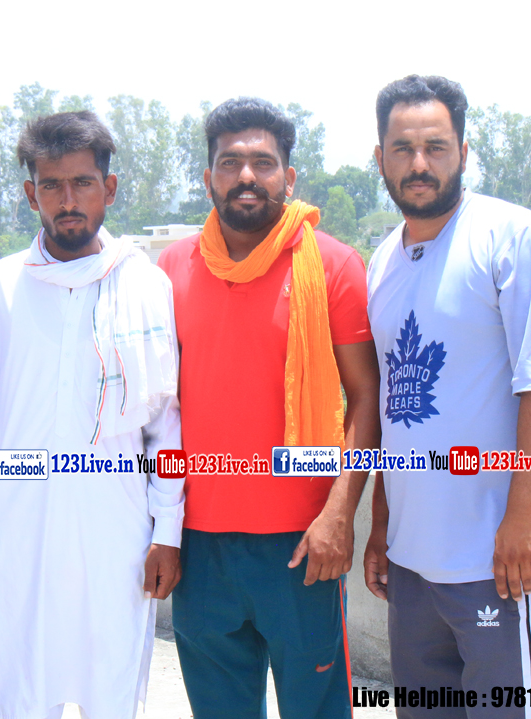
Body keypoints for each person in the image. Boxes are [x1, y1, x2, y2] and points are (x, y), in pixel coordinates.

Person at [361, 75, 531, 718]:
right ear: (380, 158)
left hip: (499, 560)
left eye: (435, 147)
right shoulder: (382, 262)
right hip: (413, 566)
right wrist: (382, 528)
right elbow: (394, 406)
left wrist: (523, 518)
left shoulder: (512, 236)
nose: (419, 164)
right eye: (402, 149)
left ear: (463, 151)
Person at [157, 97, 381, 719]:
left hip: (303, 541)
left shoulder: (333, 266)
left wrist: (340, 514)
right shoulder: (171, 269)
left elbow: (367, 397)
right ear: (208, 177)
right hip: (200, 544)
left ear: (289, 176)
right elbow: (157, 411)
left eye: (263, 162)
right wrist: (162, 529)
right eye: (230, 163)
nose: (247, 176)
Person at [0, 110, 184, 719]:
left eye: (82, 183)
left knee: (110, 684)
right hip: (19, 520)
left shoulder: (144, 285)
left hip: (114, 521)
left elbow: (164, 421)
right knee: (17, 684)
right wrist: (14, 440)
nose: (67, 200)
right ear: (30, 193)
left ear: (108, 188)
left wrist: (166, 531)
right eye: (52, 185)